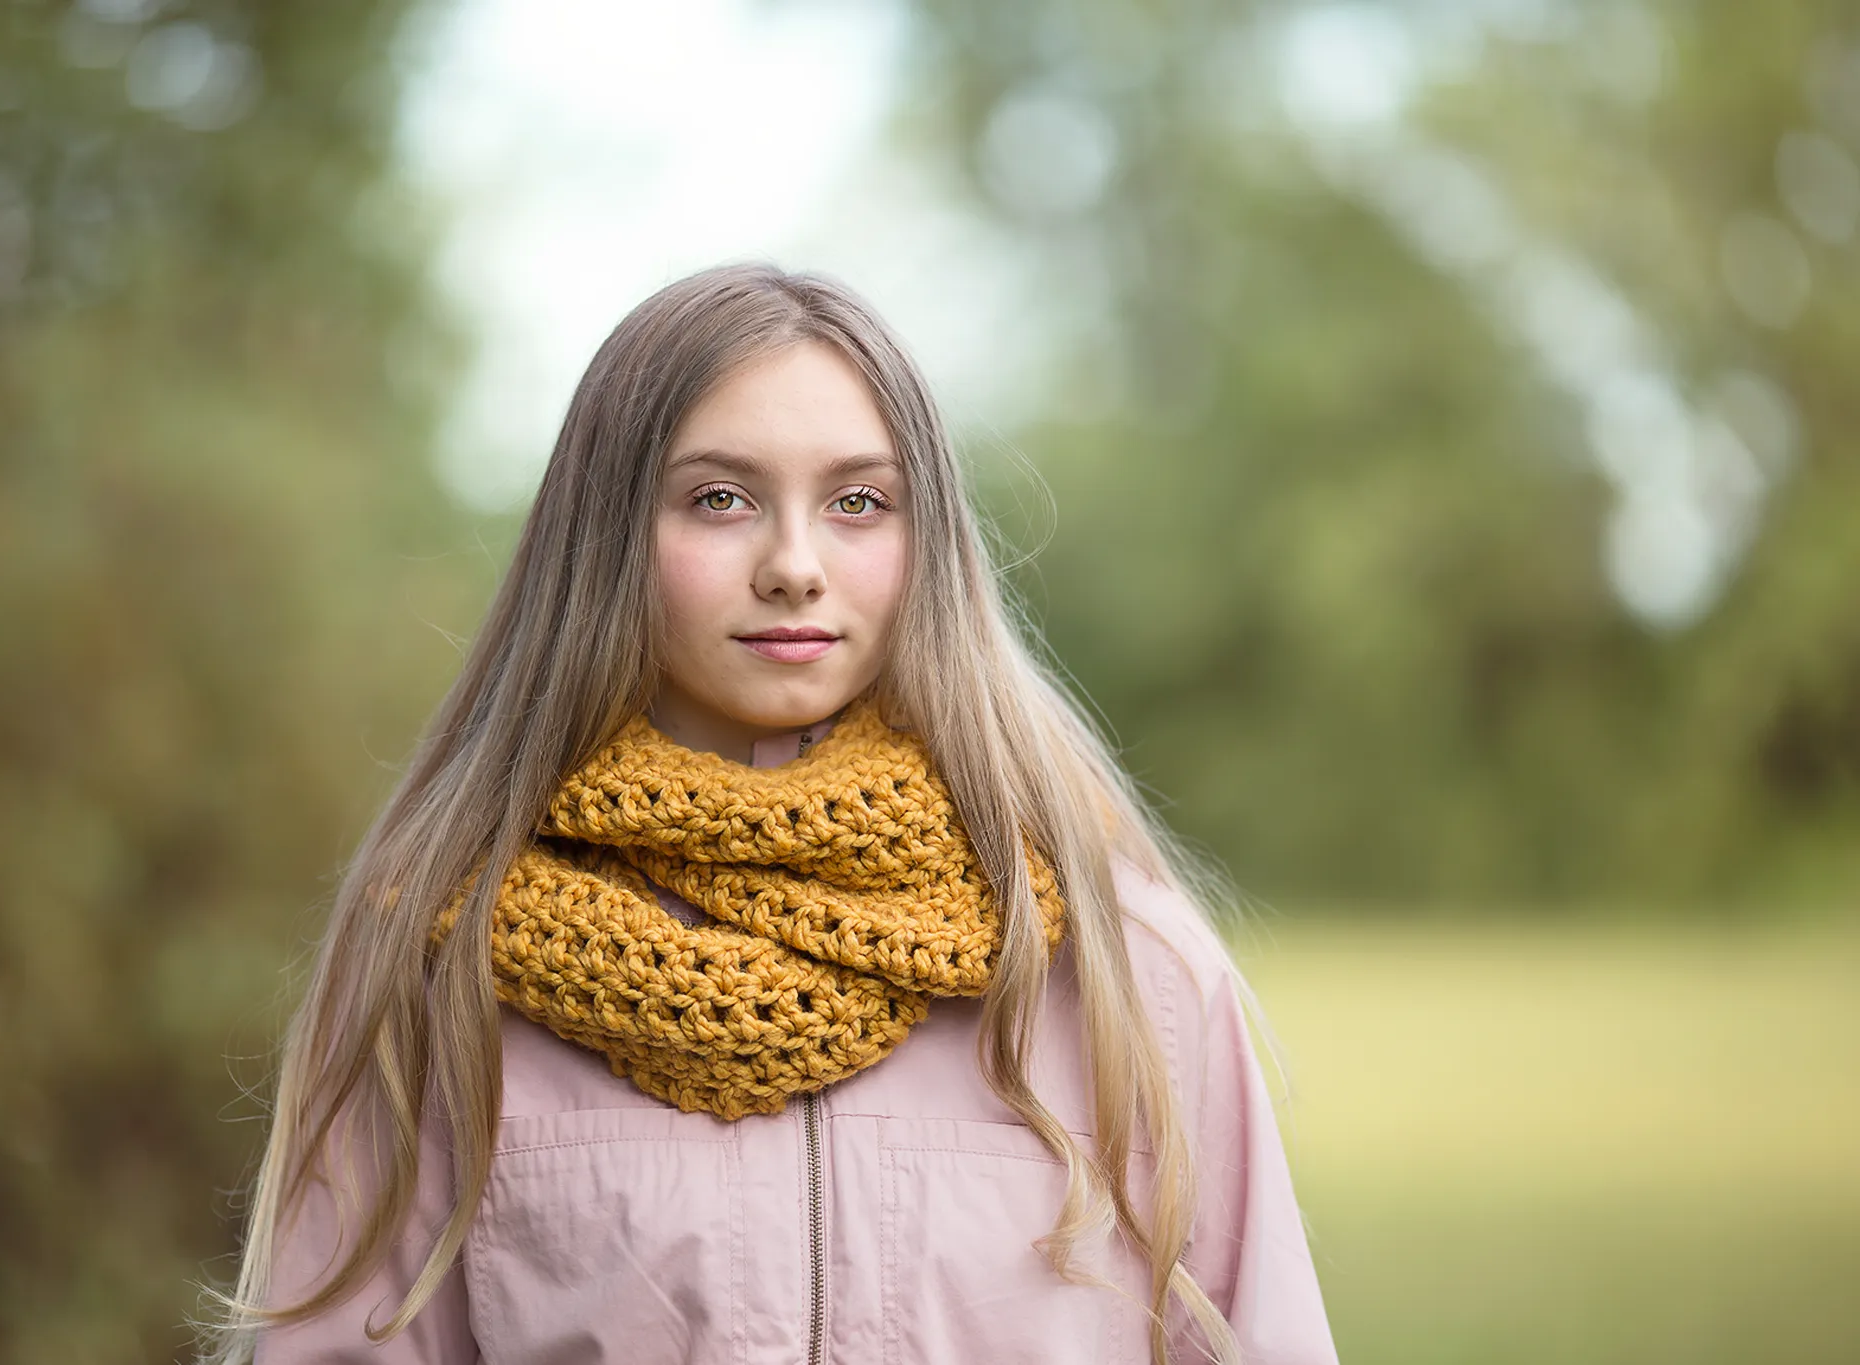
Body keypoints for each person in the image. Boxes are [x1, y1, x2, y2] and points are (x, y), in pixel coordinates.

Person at [201, 262, 1338, 1365]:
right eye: (719, 499)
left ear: (924, 541)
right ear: (605, 540)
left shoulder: (1119, 963)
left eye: (857, 502)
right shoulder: (441, 955)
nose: (793, 565)